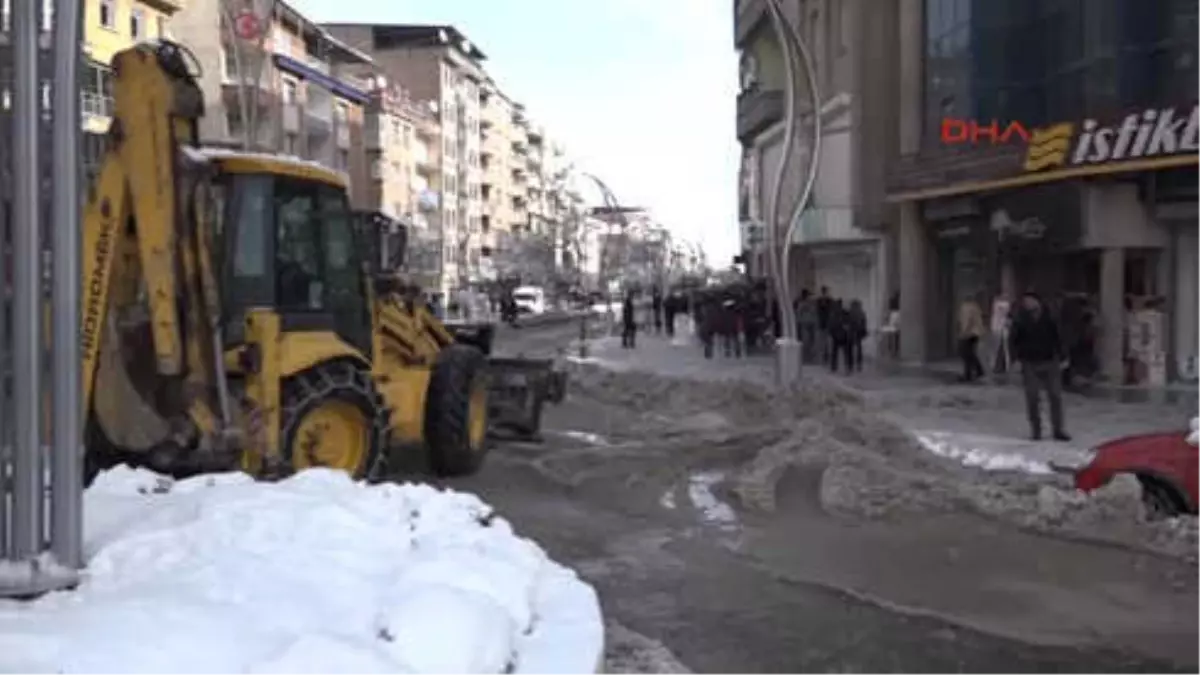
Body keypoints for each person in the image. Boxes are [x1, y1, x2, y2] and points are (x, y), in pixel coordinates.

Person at [1009, 292, 1070, 441]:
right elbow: (1013, 341)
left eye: (1030, 301)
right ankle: (1036, 430)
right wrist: (1016, 359)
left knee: (1055, 396)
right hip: (1029, 362)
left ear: (1038, 301)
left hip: (1050, 360)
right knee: (1032, 397)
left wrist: (1063, 355)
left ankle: (1058, 429)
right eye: (1025, 302)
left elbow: (1059, 337)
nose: (1028, 304)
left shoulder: (1050, 317)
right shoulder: (1020, 319)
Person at [957, 296, 986, 382]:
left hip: (969, 333)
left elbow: (968, 320)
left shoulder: (966, 307)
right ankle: (972, 372)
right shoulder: (975, 306)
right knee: (970, 353)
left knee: (966, 353)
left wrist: (964, 332)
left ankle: (972, 373)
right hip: (976, 333)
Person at [847, 299, 868, 372]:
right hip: (858, 332)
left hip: (851, 333)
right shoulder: (862, 313)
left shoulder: (849, 313)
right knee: (859, 348)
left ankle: (850, 365)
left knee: (850, 349)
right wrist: (864, 331)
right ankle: (859, 364)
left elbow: (847, 323)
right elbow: (864, 323)